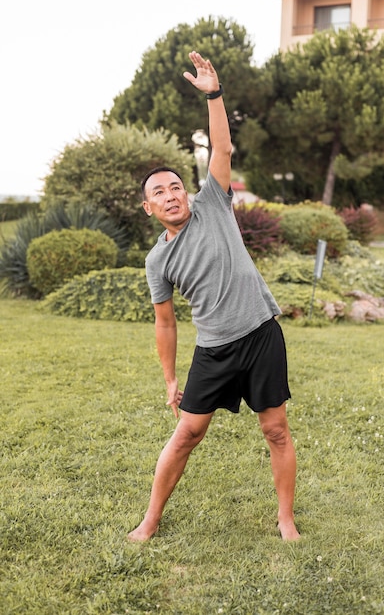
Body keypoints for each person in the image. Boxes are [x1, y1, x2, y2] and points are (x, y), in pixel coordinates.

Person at [128, 51, 300, 543]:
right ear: (149, 208)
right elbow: (165, 322)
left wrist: (214, 96)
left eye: (175, 185)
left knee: (276, 430)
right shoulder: (157, 261)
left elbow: (221, 150)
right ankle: (151, 519)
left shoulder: (212, 205)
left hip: (261, 334)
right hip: (215, 348)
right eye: (159, 192)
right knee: (186, 434)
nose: (171, 194)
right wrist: (169, 378)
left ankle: (285, 518)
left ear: (188, 190)